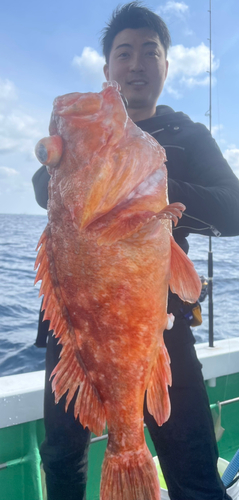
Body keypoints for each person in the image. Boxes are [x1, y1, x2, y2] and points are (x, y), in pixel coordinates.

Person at [32, 3, 239, 500]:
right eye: (124, 53)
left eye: (151, 51)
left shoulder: (188, 134)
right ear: (107, 69)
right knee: (61, 456)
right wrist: (55, 160)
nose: (136, 63)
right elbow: (46, 189)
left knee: (190, 461)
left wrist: (153, 195)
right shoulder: (87, 139)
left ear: (168, 65)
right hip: (78, 327)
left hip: (160, 323)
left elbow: (234, 210)